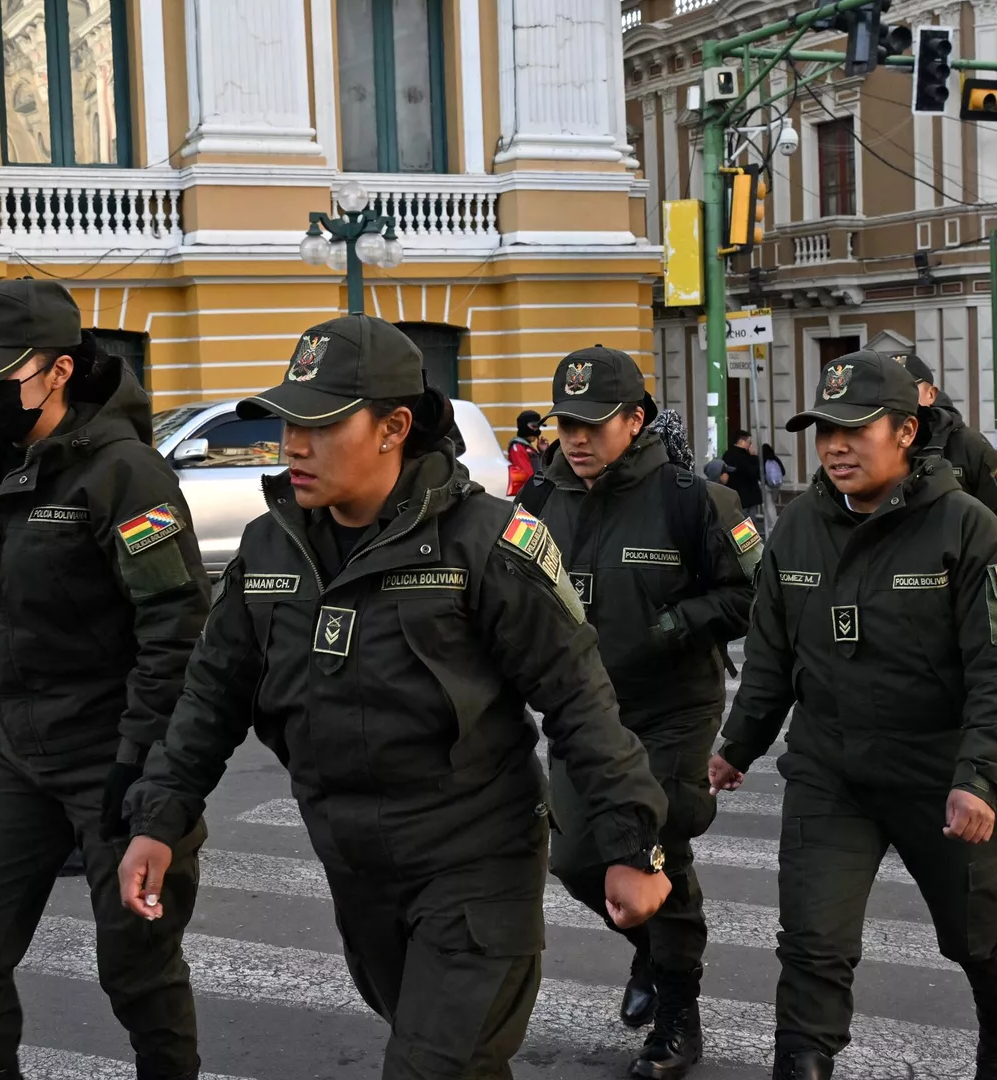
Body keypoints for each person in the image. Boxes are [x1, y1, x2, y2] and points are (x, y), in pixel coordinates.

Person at [118, 316, 673, 1080]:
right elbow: (211, 695)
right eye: (287, 424)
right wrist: (160, 818)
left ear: (393, 427)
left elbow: (579, 699)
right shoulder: (271, 545)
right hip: (356, 869)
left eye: (319, 424)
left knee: (428, 1068)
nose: (294, 445)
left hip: (476, 866)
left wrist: (628, 843)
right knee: (449, 1058)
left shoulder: (487, 542)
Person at [0, 279, 213, 1080]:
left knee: (137, 970)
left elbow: (174, 631)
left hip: (119, 761)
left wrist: (138, 762)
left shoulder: (125, 478)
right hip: (20, 762)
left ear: (61, 370)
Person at [705, 350, 997, 1080]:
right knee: (812, 944)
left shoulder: (970, 530)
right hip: (831, 769)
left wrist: (980, 778)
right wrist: (738, 744)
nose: (835, 446)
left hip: (937, 772)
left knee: (974, 934)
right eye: (824, 431)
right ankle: (802, 1061)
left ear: (907, 431)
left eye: (855, 429)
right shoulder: (794, 529)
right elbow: (770, 653)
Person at [522, 346, 759, 1080]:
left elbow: (753, 596)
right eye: (567, 422)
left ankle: (678, 1018)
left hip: (670, 711)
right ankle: (652, 955)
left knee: (653, 852)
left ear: (636, 419)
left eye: (595, 422)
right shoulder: (539, 501)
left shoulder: (694, 498)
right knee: (572, 860)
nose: (579, 437)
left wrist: (673, 625)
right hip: (578, 712)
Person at [887, 350, 997, 555]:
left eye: (907, 388)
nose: (897, 397)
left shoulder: (969, 445)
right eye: (888, 390)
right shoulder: (873, 445)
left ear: (931, 394)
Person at [722, 429, 765, 520]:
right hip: (747, 496)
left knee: (740, 524)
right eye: (749, 442)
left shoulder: (727, 454)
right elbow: (754, 472)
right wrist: (754, 457)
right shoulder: (744, 457)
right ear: (741, 442)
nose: (750, 445)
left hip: (735, 495)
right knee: (748, 523)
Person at [505, 408, 548, 495]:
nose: (537, 431)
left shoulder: (528, 448)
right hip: (530, 493)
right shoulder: (517, 447)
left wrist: (544, 452)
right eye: (534, 427)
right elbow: (527, 475)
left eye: (538, 427)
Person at [760, 442, 786, 533]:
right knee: (772, 504)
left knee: (768, 505)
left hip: (767, 486)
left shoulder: (762, 460)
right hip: (777, 485)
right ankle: (772, 524)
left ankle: (772, 524)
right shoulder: (775, 459)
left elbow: (760, 474)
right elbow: (783, 471)